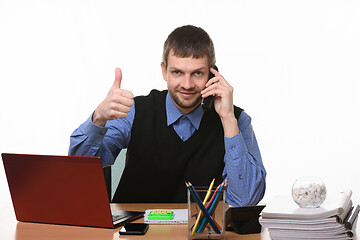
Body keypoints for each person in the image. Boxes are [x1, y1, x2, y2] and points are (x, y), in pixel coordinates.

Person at [69, 25, 266, 206]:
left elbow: (246, 199)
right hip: (135, 232)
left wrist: (227, 119)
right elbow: (78, 170)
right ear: (164, 71)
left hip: (198, 234)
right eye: (177, 72)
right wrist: (98, 119)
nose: (187, 84)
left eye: (197, 73)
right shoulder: (135, 110)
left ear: (212, 75)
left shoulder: (236, 120)